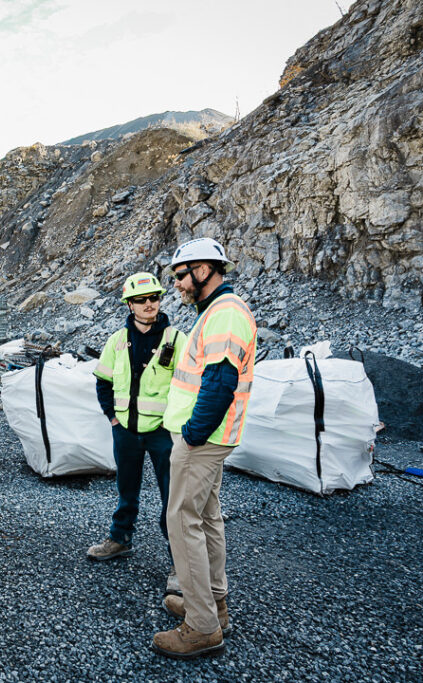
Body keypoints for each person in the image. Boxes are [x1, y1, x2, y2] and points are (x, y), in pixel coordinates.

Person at [151, 237, 257, 660]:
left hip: (204, 440)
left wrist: (193, 434)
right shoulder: (215, 312)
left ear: (205, 270)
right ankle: (214, 605)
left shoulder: (225, 315)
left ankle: (201, 625)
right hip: (209, 438)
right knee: (208, 517)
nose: (176, 285)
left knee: (182, 521)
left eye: (180, 275)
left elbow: (220, 383)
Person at [88, 273, 184, 589]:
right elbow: (103, 380)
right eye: (142, 300)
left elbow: (188, 385)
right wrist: (113, 419)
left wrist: (177, 426)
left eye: (153, 298)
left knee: (173, 499)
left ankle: (180, 563)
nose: (149, 305)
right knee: (126, 489)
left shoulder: (176, 339)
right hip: (126, 430)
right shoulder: (117, 340)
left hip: (162, 434)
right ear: (130, 304)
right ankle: (120, 539)